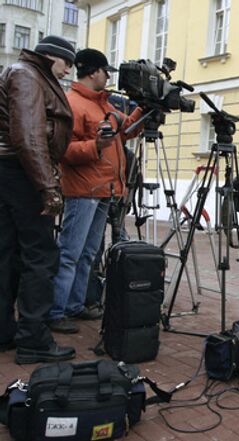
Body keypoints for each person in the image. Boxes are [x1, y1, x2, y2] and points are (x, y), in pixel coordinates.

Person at [47, 48, 144, 334]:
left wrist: (145, 108)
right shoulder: (73, 103)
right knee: (70, 253)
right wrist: (95, 147)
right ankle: (56, 311)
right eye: (105, 72)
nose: (108, 77)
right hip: (83, 190)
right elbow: (62, 150)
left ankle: (75, 306)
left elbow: (126, 129)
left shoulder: (102, 103)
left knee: (88, 253)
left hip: (103, 189)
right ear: (93, 72)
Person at [0, 35, 77, 363]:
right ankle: (34, 339)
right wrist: (48, 187)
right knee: (40, 256)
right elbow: (29, 135)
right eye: (66, 63)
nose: (69, 70)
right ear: (51, 57)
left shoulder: (21, 72)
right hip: (23, 173)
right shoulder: (29, 75)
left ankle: (5, 332)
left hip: (11, 171)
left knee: (7, 253)